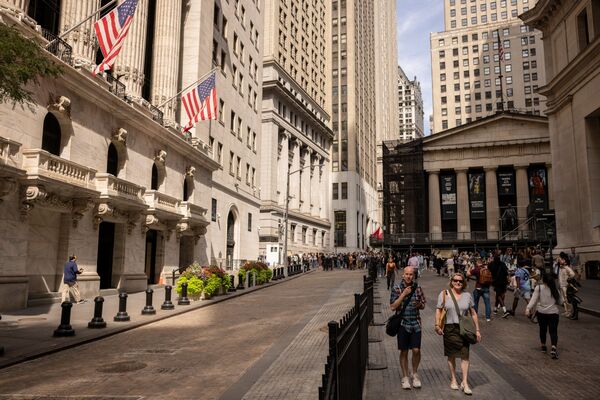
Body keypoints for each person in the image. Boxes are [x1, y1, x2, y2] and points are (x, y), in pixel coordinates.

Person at [435, 273, 481, 395]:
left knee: (465, 355)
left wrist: (477, 330)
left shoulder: (467, 295)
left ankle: (465, 382)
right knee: (451, 355)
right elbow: (438, 310)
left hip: (464, 329)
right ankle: (454, 379)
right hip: (450, 328)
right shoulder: (444, 294)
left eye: (460, 281)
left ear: (464, 282)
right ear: (452, 281)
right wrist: (437, 325)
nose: (458, 283)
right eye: (455, 280)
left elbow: (474, 313)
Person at [390, 267, 426, 390]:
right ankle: (405, 377)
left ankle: (414, 373)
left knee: (416, 350)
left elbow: (423, 305)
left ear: (414, 275)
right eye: (407, 274)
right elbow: (392, 307)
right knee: (404, 351)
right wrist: (403, 294)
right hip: (403, 324)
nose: (409, 276)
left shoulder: (418, 288)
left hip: (416, 323)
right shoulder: (397, 288)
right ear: (403, 275)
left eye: (411, 274)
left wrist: (419, 305)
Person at [525, 273, 563, 359]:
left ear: (544, 280)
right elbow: (561, 302)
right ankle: (553, 347)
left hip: (541, 313)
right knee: (553, 331)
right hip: (553, 313)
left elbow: (533, 299)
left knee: (543, 330)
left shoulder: (539, 288)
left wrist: (528, 308)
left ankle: (543, 346)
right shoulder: (555, 288)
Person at [556, 252, 575, 316]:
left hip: (565, 286)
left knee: (566, 299)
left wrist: (568, 280)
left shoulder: (566, 268)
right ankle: (566, 311)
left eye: (561, 259)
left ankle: (569, 312)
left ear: (565, 261)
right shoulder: (560, 268)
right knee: (563, 300)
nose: (559, 260)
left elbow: (572, 274)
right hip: (561, 285)